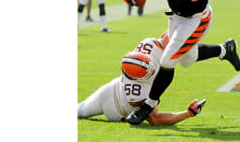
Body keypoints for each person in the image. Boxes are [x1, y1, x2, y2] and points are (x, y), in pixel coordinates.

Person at [77, 33, 207, 125]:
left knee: (79, 110)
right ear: (141, 77)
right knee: (79, 111)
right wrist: (188, 113)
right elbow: (156, 119)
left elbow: (167, 36)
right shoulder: (139, 93)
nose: (153, 70)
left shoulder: (148, 45)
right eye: (149, 71)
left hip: (109, 90)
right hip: (118, 112)